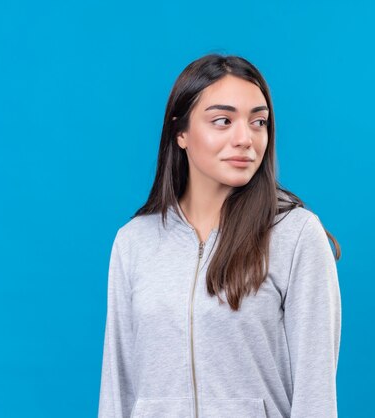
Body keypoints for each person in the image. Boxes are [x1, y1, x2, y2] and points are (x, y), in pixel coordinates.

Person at [98, 53, 342, 418]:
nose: (245, 138)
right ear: (180, 132)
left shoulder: (295, 236)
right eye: (223, 121)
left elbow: (315, 394)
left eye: (258, 122)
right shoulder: (135, 242)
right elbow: (118, 385)